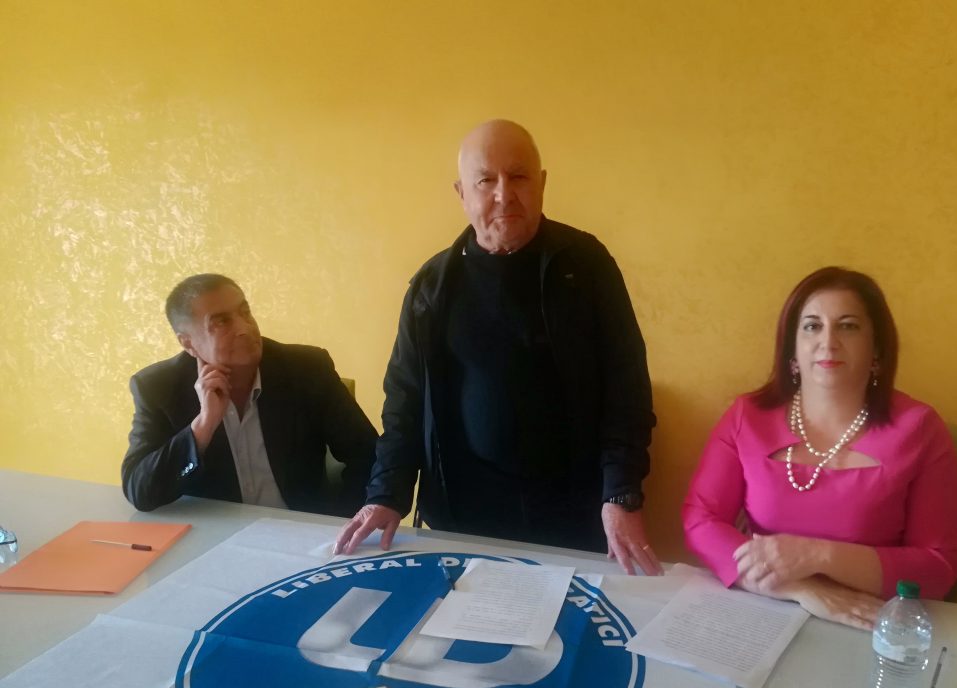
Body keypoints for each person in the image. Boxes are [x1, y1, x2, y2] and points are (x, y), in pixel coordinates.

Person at [334, 119, 661, 575]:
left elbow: (627, 390)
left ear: (542, 183)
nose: (504, 194)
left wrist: (621, 495)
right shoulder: (433, 285)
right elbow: (404, 401)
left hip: (574, 514)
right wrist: (386, 494)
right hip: (461, 516)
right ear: (461, 193)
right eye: (485, 180)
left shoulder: (587, 266)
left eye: (519, 176)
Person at [682, 267, 957, 629]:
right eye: (812, 326)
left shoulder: (920, 429)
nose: (828, 341)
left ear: (877, 349)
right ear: (792, 351)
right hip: (766, 609)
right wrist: (800, 588)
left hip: (872, 621)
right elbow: (701, 520)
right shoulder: (747, 416)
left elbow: (939, 566)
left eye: (848, 326)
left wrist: (817, 555)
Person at [122, 273, 378, 515]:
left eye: (245, 312)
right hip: (216, 536)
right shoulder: (158, 388)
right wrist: (203, 426)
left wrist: (341, 521)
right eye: (222, 321)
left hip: (300, 529)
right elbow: (140, 491)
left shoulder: (306, 369)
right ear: (188, 343)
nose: (244, 328)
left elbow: (369, 455)